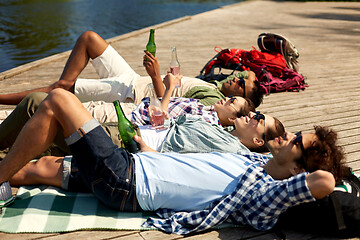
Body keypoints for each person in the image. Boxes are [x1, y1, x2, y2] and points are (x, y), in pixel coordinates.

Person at [0, 88, 346, 235]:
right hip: (132, 164)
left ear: (300, 168)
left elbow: (324, 183)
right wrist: (150, 153)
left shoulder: (265, 196)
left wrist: (324, 170)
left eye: (298, 142)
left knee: (58, 100)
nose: (289, 138)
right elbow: (189, 171)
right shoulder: (250, 162)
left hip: (126, 181)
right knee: (36, 170)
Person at [0, 31, 264, 108]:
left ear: (242, 101)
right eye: (240, 79)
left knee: (61, 90)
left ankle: (50, 97)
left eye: (241, 86)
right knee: (89, 39)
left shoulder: (215, 99)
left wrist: (155, 75)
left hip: (132, 94)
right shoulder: (214, 84)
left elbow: (167, 107)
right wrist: (248, 77)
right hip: (133, 79)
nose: (238, 80)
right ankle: (59, 97)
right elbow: (251, 76)